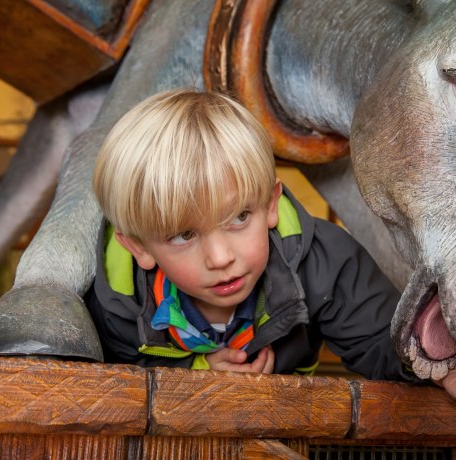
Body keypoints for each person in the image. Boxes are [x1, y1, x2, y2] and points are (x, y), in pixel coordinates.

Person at [86, 88, 419, 380]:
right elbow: (116, 380)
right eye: (183, 235)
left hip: (287, 420)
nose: (221, 258)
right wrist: (196, 372)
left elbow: (383, 343)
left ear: (270, 205)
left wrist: (435, 360)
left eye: (239, 217)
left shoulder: (321, 261)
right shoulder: (120, 303)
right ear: (139, 248)